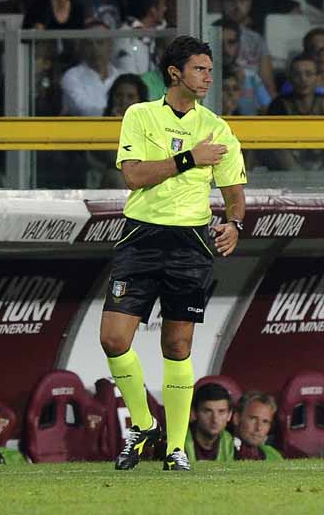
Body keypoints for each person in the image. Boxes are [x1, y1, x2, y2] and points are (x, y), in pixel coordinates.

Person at [99, 35, 247, 472]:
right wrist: (188, 158)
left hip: (190, 243)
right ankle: (144, 427)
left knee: (177, 345)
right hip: (141, 236)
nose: (208, 77)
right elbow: (134, 176)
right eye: (200, 69)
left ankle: (176, 447)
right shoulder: (140, 115)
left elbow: (234, 192)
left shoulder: (217, 128)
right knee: (112, 338)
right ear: (175, 73)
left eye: (209, 69)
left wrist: (235, 224)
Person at [217, 0, 276, 97]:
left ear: (250, 2)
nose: (236, 5)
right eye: (230, 0)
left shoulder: (257, 40)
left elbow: (268, 84)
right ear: (222, 2)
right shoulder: (210, 32)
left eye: (242, 0)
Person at [60, 22, 121, 116]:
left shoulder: (121, 76)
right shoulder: (71, 76)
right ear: (83, 46)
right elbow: (82, 110)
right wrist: (112, 114)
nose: (95, 48)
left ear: (110, 45)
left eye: (100, 42)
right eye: (89, 43)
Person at [112, 0, 167, 75]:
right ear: (152, 10)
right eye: (162, 5)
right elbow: (128, 77)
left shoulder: (156, 36)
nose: (165, 9)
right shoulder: (125, 37)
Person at [185, 383, 236, 463]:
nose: (215, 419)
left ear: (229, 415)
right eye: (207, 411)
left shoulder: (233, 444)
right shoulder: (178, 443)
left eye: (221, 412)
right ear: (194, 413)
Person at [233, 392, 283, 461]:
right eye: (253, 419)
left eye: (265, 422)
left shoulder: (273, 456)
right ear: (237, 418)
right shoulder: (221, 450)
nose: (258, 428)